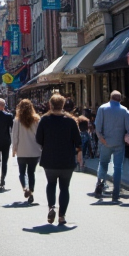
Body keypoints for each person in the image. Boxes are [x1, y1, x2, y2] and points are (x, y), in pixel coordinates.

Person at [36, 93, 81, 226]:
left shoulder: (44, 120)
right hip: (66, 159)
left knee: (51, 184)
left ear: (50, 104)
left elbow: (38, 139)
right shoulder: (71, 121)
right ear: (63, 105)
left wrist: (47, 143)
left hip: (49, 159)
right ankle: (62, 216)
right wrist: (79, 153)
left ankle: (51, 207)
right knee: (65, 188)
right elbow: (78, 141)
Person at [93, 90, 129, 200]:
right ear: (120, 99)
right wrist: (126, 138)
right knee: (118, 167)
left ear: (110, 98)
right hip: (119, 143)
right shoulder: (124, 110)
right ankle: (116, 191)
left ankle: (100, 183)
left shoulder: (102, 108)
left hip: (106, 142)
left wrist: (102, 139)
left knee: (103, 163)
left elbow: (98, 127)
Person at [11, 99, 42, 204]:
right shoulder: (37, 120)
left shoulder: (17, 121)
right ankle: (31, 192)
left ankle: (25, 187)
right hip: (34, 150)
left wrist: (14, 149)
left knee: (22, 172)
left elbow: (14, 136)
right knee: (31, 173)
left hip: (22, 150)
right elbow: (40, 135)